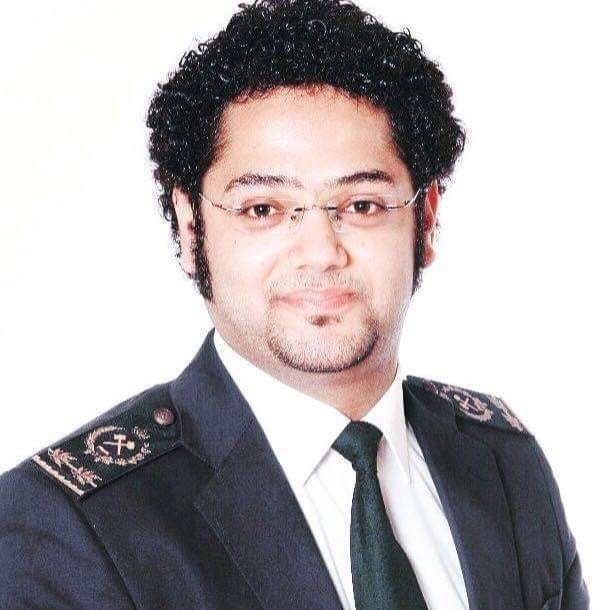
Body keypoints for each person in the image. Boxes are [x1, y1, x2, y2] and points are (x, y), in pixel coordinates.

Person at [0, 0, 589, 608]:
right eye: (263, 210)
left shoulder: (503, 464)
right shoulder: (66, 527)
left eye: (362, 205)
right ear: (191, 227)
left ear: (426, 219)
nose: (320, 252)